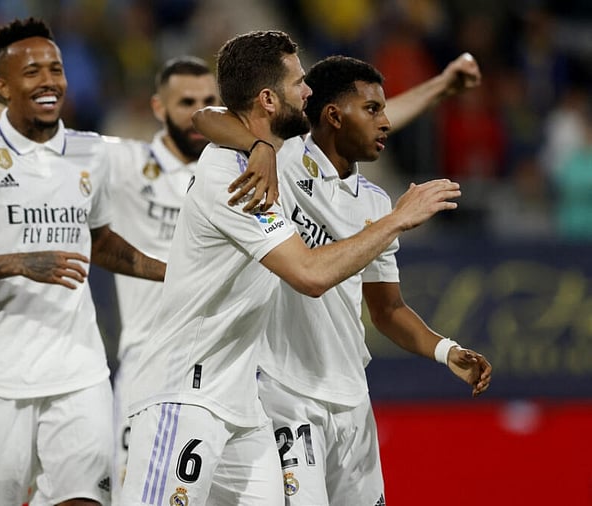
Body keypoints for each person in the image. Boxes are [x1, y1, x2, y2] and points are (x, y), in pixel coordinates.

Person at [120, 30, 461, 505]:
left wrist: (261, 144)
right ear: (267, 97)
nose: (308, 92)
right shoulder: (235, 175)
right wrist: (398, 219)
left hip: (242, 404)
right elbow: (310, 274)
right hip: (185, 389)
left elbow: (217, 117)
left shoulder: (272, 156)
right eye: (300, 82)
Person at [0, 53, 221, 496]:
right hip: (150, 364)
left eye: (210, 101)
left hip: (225, 368)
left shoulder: (233, 172)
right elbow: (15, 128)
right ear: (158, 108)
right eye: (187, 101)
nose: (199, 113)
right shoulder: (123, 162)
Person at [193, 55, 493, 505]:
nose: (385, 122)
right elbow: (207, 117)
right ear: (334, 116)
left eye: (384, 110)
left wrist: (445, 350)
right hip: (284, 394)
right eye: (373, 110)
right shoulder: (286, 157)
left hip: (352, 398)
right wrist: (258, 148)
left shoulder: (374, 202)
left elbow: (387, 310)